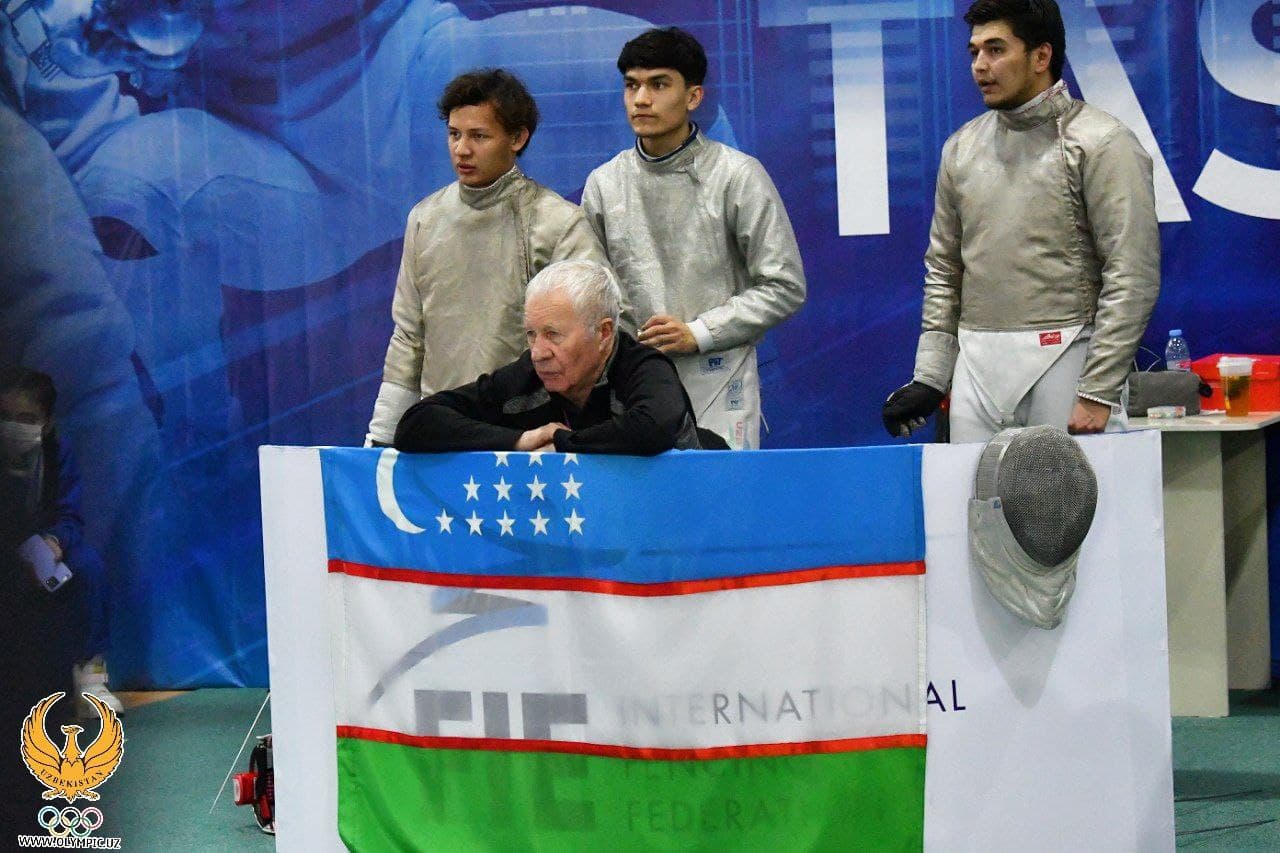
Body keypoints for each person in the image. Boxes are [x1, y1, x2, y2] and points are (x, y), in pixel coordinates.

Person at [882, 0, 1159, 443]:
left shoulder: (1103, 143)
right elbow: (944, 270)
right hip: (976, 366)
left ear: (1041, 56)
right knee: (976, 490)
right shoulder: (961, 149)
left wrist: (1099, 388)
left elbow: (1132, 273)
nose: (980, 65)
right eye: (974, 52)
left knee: (1067, 491)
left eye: (996, 50)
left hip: (1069, 356)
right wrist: (931, 376)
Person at [581, 28, 806, 450]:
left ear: (694, 96)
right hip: (631, 389)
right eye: (631, 85)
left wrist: (699, 332)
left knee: (721, 493)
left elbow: (785, 285)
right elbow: (593, 297)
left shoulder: (737, 175)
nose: (641, 99)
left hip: (720, 384)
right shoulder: (604, 184)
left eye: (658, 85)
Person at [367, 69, 607, 445]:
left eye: (479, 136)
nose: (462, 149)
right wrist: (381, 437)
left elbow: (595, 338)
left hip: (531, 435)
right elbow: (410, 336)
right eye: (454, 134)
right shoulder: (425, 219)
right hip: (444, 432)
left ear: (517, 138)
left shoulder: (558, 224)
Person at [394, 260, 724, 455]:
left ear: (603, 333)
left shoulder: (643, 366)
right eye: (531, 334)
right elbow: (417, 423)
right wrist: (522, 440)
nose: (538, 352)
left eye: (553, 334)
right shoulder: (530, 372)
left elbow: (653, 427)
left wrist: (562, 443)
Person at [0, 368, 123, 721]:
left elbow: (70, 516)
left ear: (47, 423)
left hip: (42, 547)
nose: (14, 427)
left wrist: (54, 542)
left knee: (89, 568)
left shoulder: (57, 455)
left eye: (27, 419)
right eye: (6, 416)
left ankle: (91, 681)